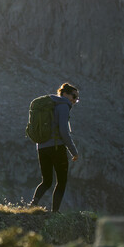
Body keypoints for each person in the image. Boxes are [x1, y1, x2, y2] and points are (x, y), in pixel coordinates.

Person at [30, 83, 79, 212]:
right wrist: (73, 151)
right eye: (73, 96)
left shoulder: (49, 104)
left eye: (76, 99)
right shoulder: (63, 105)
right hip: (57, 147)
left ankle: (32, 205)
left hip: (41, 147)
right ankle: (55, 213)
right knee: (61, 182)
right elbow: (64, 131)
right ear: (65, 94)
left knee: (46, 181)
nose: (74, 101)